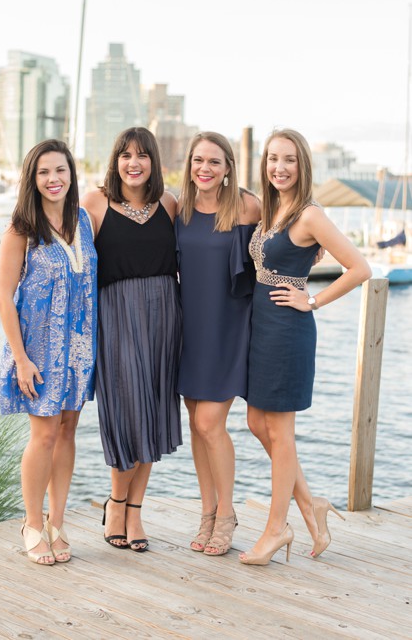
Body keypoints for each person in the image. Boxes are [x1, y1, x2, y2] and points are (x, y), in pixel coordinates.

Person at [239, 128, 370, 565]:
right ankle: (311, 505)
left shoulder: (309, 215)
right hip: (261, 328)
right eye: (273, 158)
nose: (279, 167)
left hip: (287, 329)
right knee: (258, 423)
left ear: (303, 166)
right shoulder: (272, 209)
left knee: (280, 431)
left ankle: (277, 529)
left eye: (289, 160)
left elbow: (359, 267)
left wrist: (311, 300)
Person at [0, 139, 98, 565]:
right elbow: (3, 295)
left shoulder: (85, 221)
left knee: (68, 432)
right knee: (43, 435)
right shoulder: (22, 228)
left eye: (60, 170)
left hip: (79, 346)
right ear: (32, 180)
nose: (53, 179)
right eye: (43, 172)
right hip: (37, 347)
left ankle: (58, 522)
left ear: (71, 174)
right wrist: (21, 358)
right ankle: (32, 523)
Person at [83, 126, 182, 553]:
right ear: (115, 160)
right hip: (117, 316)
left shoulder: (171, 204)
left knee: (154, 415)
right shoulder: (94, 203)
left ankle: (133, 511)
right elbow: (63, 247)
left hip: (165, 316)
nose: (134, 163)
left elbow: (225, 220)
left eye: (142, 155)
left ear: (154, 162)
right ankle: (116, 502)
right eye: (126, 155)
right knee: (127, 415)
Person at [175, 132, 261, 557]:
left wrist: (312, 252)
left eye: (213, 161)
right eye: (197, 161)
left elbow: (290, 227)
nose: (204, 169)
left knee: (210, 424)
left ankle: (226, 513)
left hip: (228, 327)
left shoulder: (246, 206)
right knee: (196, 425)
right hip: (189, 327)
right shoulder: (180, 206)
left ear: (228, 166)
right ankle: (207, 512)